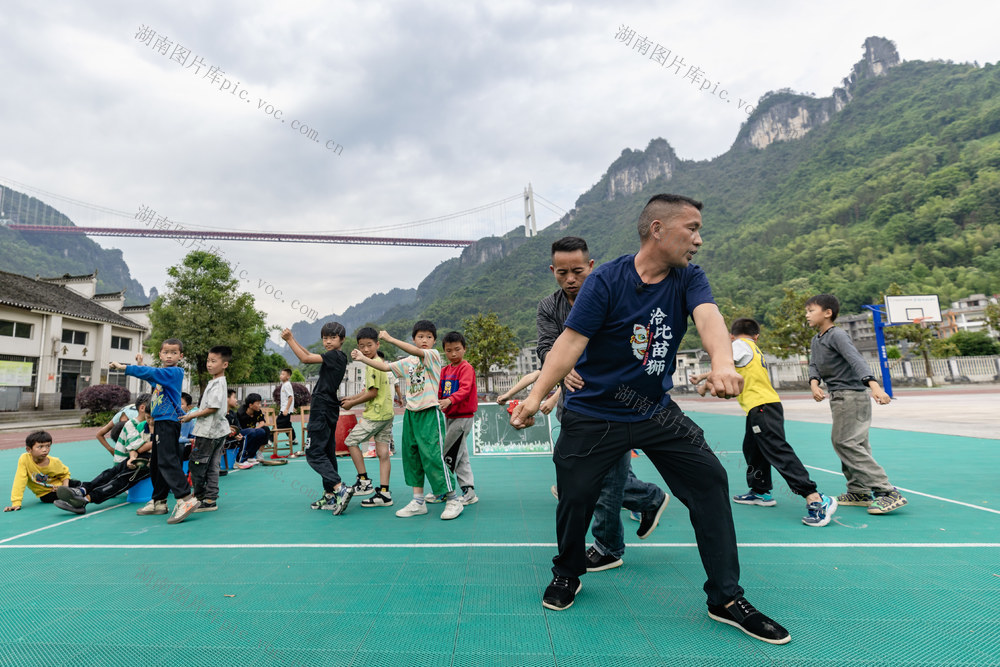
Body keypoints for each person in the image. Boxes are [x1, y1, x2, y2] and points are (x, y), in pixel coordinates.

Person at [511, 194, 790, 645]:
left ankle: (725, 596)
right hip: (593, 413)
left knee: (710, 482)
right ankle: (568, 572)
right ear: (657, 229)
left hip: (653, 411)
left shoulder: (688, 277)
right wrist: (537, 395)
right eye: (692, 228)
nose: (698, 239)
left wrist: (723, 363)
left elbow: (709, 319)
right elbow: (569, 343)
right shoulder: (605, 281)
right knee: (575, 497)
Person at [536, 236, 669, 573]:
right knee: (587, 475)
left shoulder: (614, 293)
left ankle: (608, 546)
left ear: (590, 266)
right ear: (553, 270)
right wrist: (562, 371)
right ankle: (647, 499)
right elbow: (546, 348)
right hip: (574, 405)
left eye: (577, 271)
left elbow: (631, 341)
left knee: (605, 476)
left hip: (614, 402)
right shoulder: (549, 307)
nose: (570, 278)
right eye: (562, 272)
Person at [690, 318, 837, 527]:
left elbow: (725, 365)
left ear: (731, 336)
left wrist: (703, 385)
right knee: (753, 448)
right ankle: (760, 491)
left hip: (762, 407)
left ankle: (815, 497)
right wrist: (705, 380)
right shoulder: (753, 348)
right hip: (760, 407)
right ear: (756, 336)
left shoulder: (738, 345)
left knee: (776, 449)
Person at [806, 294, 908, 515]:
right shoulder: (817, 340)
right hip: (839, 397)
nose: (807, 315)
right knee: (856, 443)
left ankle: (886, 491)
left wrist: (875, 386)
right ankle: (858, 491)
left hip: (851, 395)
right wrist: (814, 384)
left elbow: (856, 360)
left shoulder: (838, 335)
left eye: (810, 310)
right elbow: (814, 365)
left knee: (845, 442)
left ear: (827, 312)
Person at [351, 323, 463, 520]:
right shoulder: (408, 362)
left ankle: (453, 499)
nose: (425, 340)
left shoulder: (433, 355)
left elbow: (415, 351)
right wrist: (362, 359)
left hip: (429, 412)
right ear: (414, 338)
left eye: (429, 337)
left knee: (433, 456)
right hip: (411, 413)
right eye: (420, 337)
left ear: (434, 341)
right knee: (412, 457)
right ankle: (418, 501)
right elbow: (386, 366)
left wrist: (391, 339)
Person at [112, 339, 201, 524]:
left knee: (168, 460)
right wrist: (141, 365)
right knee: (156, 462)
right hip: (161, 421)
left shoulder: (175, 372)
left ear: (181, 357)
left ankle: (185, 498)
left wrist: (125, 367)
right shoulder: (163, 375)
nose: (169, 355)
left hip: (169, 421)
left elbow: (153, 373)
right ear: (160, 354)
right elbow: (151, 375)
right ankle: (159, 501)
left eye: (174, 352)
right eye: (166, 352)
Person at [282, 322, 354, 515]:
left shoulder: (333, 355)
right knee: (328, 452)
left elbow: (305, 358)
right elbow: (308, 354)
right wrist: (295, 340)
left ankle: (340, 488)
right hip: (330, 408)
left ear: (342, 340)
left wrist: (289, 340)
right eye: (325, 338)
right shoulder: (337, 356)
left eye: (332, 338)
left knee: (313, 452)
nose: (328, 341)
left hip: (322, 408)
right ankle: (330, 495)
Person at [52, 394, 153, 515]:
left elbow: (143, 448)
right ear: (143, 408)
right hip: (128, 459)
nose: (151, 420)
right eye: (149, 417)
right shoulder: (137, 425)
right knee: (109, 474)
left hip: (146, 463)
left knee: (119, 480)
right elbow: (137, 448)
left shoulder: (157, 426)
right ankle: (82, 490)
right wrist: (131, 457)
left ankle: (84, 500)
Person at [339, 327, 394, 507]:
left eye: (369, 345)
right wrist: (352, 398)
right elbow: (367, 391)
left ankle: (364, 481)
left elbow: (372, 393)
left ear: (377, 344)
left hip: (375, 415)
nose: (366, 350)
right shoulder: (378, 362)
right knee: (383, 453)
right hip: (387, 414)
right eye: (362, 346)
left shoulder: (372, 365)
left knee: (351, 441)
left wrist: (352, 404)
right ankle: (385, 493)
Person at [182, 346, 231, 512]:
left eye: (213, 361)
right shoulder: (216, 382)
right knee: (212, 466)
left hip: (209, 432)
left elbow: (213, 407)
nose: (209, 364)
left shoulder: (218, 384)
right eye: (208, 361)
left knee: (197, 464)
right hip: (217, 431)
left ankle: (200, 498)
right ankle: (210, 499)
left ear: (224, 364)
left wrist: (191, 415)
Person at [434, 331, 478, 505]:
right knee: (460, 453)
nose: (453, 354)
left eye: (457, 349)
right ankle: (469, 489)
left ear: (464, 349)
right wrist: (437, 402)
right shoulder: (445, 370)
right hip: (450, 416)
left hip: (463, 417)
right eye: (449, 350)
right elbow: (440, 391)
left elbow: (465, 389)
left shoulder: (466, 368)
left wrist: (450, 400)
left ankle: (446, 489)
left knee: (450, 454)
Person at [5, 431, 81, 511]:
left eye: (48, 446)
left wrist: (64, 487)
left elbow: (65, 474)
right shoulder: (24, 459)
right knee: (70, 495)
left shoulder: (55, 462)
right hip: (46, 494)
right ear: (29, 449)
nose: (45, 450)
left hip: (62, 485)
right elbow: (20, 480)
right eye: (40, 447)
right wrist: (16, 503)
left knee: (80, 485)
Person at [234, 393, 270, 469]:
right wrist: (252, 431)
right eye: (258, 403)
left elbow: (262, 422)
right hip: (243, 433)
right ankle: (243, 458)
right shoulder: (241, 413)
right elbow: (238, 428)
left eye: (260, 403)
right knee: (253, 432)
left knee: (264, 430)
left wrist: (256, 430)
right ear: (250, 405)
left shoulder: (258, 411)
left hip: (252, 431)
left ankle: (254, 455)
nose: (260, 405)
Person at [277, 368, 298, 448]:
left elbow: (290, 397)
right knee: (287, 424)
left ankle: (270, 440)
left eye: (283, 374)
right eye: (281, 374)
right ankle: (293, 439)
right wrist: (291, 407)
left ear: (288, 376)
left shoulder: (286, 385)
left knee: (277, 424)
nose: (281, 376)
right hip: (286, 409)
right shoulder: (285, 384)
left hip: (285, 410)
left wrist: (286, 409)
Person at [178, 392, 196, 458]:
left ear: (188, 407)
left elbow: (193, 435)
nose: (177, 405)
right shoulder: (170, 418)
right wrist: (189, 440)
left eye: (181, 404)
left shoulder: (189, 420)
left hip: (184, 448)